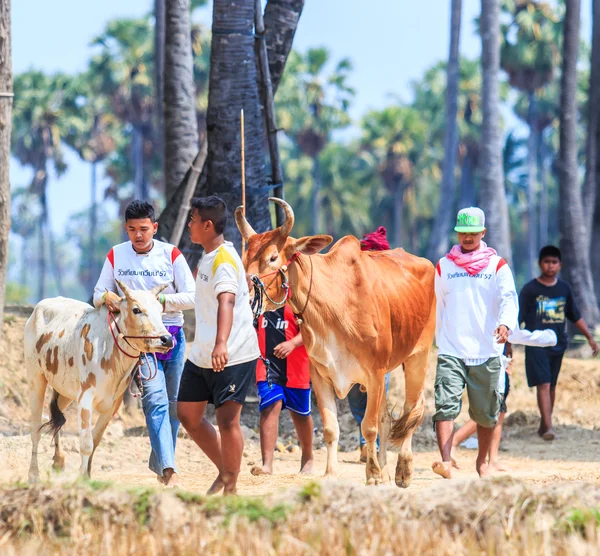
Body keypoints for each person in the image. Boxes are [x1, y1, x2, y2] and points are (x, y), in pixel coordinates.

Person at [93, 200, 195, 487]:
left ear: (155, 228)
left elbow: (192, 296)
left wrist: (160, 301)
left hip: (171, 335)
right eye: (132, 230)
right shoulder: (116, 255)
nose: (138, 235)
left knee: (175, 405)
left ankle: (162, 460)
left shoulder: (171, 255)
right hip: (139, 342)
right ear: (126, 229)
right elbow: (98, 293)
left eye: (144, 229)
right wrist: (110, 299)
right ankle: (169, 471)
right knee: (155, 400)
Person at [176, 196, 260, 495]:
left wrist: (221, 344)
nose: (189, 226)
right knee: (187, 414)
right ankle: (226, 472)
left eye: (193, 220)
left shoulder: (223, 259)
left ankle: (230, 486)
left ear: (207, 225)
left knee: (227, 421)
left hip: (232, 352)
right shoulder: (209, 256)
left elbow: (227, 301)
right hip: (202, 353)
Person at [432, 206, 519, 479]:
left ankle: (482, 463)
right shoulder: (443, 266)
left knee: (485, 413)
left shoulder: (497, 266)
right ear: (457, 233)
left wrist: (505, 324)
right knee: (445, 406)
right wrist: (441, 340)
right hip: (451, 349)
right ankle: (445, 461)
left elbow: (508, 298)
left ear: (483, 232)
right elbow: (440, 306)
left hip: (486, 350)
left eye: (472, 233)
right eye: (463, 233)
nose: (467, 238)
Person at [519, 245, 599, 441]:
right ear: (540, 264)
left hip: (558, 344)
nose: (550, 266)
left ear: (560, 265)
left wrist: (590, 337)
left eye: (554, 262)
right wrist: (509, 344)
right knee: (543, 384)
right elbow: (517, 318)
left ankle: (544, 424)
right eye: (546, 262)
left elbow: (574, 315)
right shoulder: (530, 289)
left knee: (552, 385)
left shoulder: (564, 289)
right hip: (536, 344)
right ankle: (549, 427)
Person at [451, 328, 557, 472]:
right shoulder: (500, 316)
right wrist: (549, 337)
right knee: (488, 412)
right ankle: (453, 442)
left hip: (501, 365)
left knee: (499, 414)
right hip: (494, 369)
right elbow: (518, 335)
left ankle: (493, 459)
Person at [251, 305, 314, 476]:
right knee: (269, 408)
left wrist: (293, 343)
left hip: (297, 368)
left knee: (301, 415)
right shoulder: (259, 298)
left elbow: (311, 328)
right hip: (266, 366)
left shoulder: (296, 298)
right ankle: (267, 465)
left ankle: (308, 458)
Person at [347, 226, 391, 462]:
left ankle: (371, 444)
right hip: (355, 352)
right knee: (355, 399)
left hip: (383, 354)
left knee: (377, 398)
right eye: (368, 255)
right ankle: (366, 440)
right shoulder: (349, 286)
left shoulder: (390, 286)